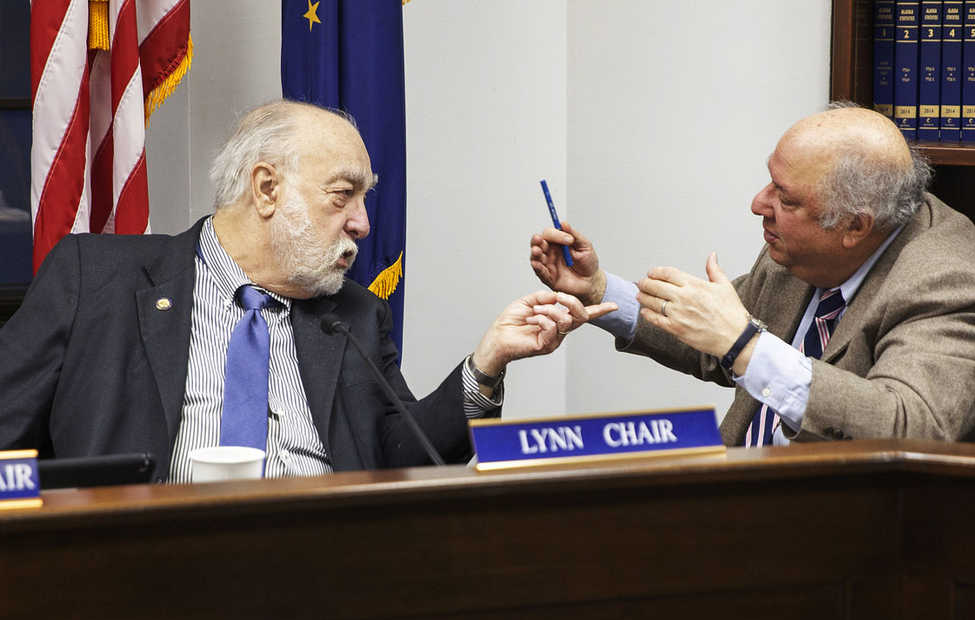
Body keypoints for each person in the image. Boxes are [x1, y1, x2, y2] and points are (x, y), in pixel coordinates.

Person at [0, 100, 615, 482]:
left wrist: (488, 361)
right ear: (267, 190)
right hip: (140, 571)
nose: (362, 223)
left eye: (364, 199)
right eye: (342, 194)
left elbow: (407, 457)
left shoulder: (353, 314)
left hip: (324, 570)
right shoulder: (97, 278)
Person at [530, 103, 975, 446]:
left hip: (860, 549)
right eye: (770, 180)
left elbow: (906, 425)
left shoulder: (956, 284)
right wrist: (596, 290)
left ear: (854, 225)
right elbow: (712, 336)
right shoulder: (803, 250)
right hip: (743, 505)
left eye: (786, 197)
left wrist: (742, 344)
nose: (759, 204)